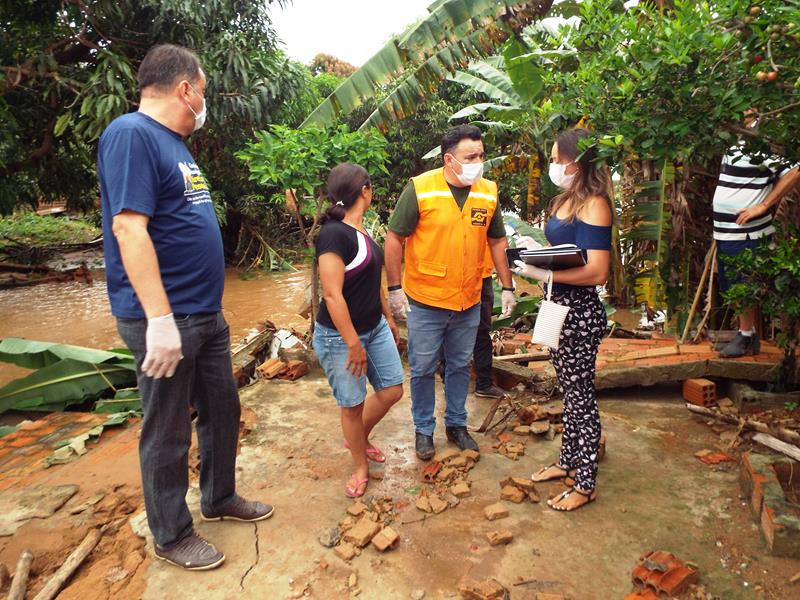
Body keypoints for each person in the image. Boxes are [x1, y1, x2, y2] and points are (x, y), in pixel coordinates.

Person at [98, 44, 273, 571]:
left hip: (204, 314)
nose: (205, 100)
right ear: (185, 88)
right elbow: (129, 228)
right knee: (168, 429)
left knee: (223, 409)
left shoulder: (175, 144)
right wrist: (158, 320)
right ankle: (171, 534)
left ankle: (219, 498)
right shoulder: (131, 135)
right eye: (203, 89)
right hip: (165, 318)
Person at [385, 124, 516, 460]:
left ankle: (457, 425)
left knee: (459, 366)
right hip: (426, 301)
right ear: (449, 159)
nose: (478, 162)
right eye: (470, 156)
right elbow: (394, 238)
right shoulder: (420, 188)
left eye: (481, 155)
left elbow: (497, 241)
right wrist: (395, 289)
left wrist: (507, 287)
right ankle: (423, 430)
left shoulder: (487, 191)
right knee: (424, 367)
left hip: (468, 299)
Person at [514, 127, 612, 512]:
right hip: (558, 307)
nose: (553, 165)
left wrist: (548, 274)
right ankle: (568, 462)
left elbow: (598, 271)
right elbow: (566, 250)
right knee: (569, 393)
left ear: (577, 161)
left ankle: (585, 483)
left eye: (557, 159)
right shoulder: (569, 199)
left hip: (580, 312)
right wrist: (539, 254)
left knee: (580, 397)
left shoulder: (595, 204)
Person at [313, 163, 405, 498]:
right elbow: (332, 294)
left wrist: (389, 318)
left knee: (392, 389)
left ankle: (357, 438)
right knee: (351, 405)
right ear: (365, 190)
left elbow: (372, 281)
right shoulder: (333, 235)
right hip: (340, 336)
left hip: (374, 326)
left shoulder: (362, 231)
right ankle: (360, 464)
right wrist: (353, 343)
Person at [713, 110, 800, 358]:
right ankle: (746, 336)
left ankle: (746, 337)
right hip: (727, 231)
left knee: (743, 284)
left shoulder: (762, 140)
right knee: (732, 285)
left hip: (747, 233)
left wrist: (764, 205)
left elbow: (795, 170)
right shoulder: (738, 138)